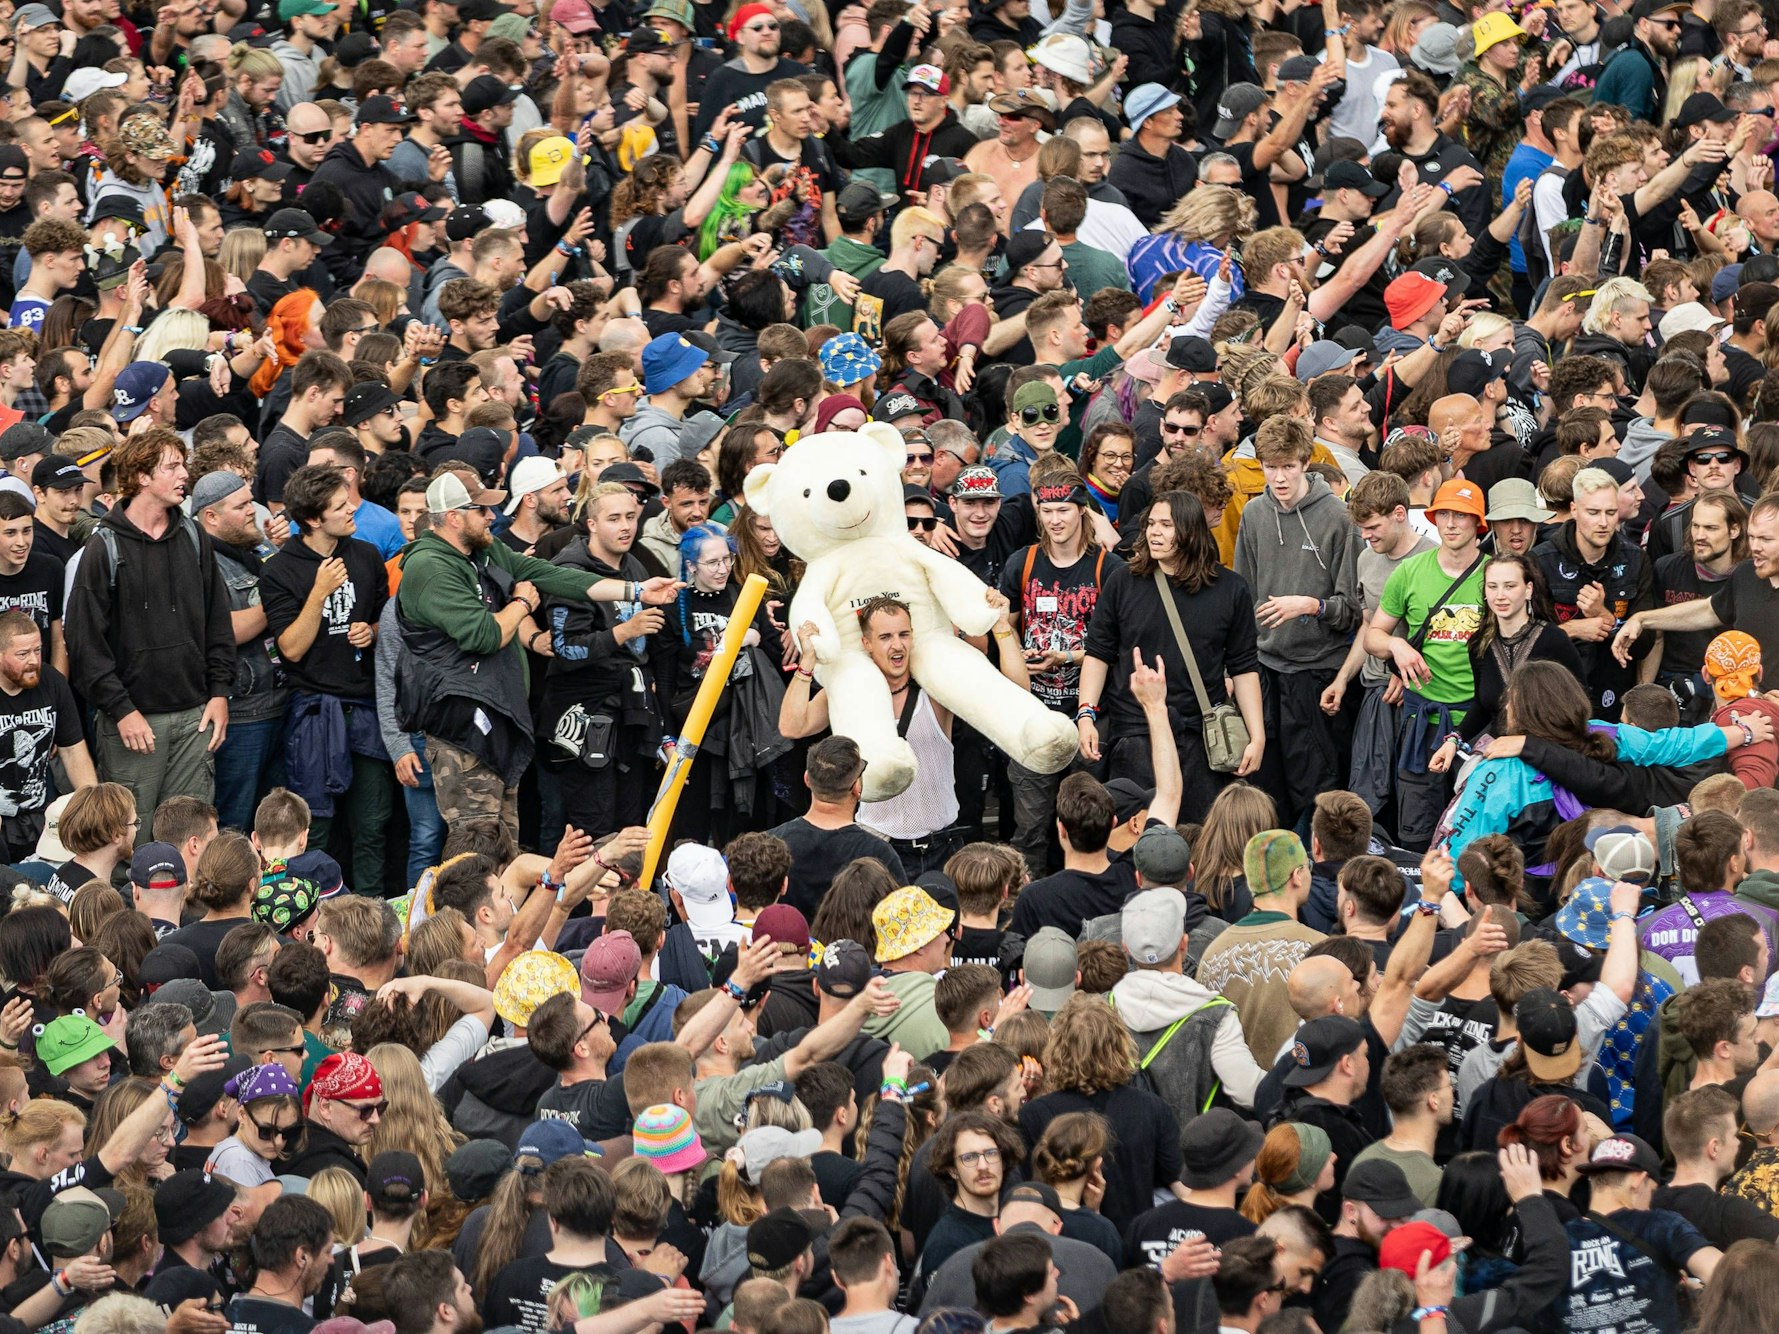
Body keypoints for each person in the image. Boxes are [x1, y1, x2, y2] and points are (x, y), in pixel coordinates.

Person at [66, 427, 234, 828]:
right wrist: (122, 710)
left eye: (183, 466)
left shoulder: (194, 536)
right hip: (134, 723)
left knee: (192, 838)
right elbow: (83, 642)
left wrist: (220, 693)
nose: (184, 476)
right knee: (130, 840)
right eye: (172, 467)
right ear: (142, 476)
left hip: (196, 716)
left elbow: (218, 622)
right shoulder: (103, 547)